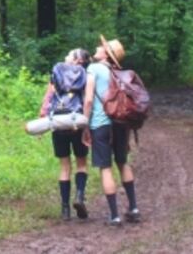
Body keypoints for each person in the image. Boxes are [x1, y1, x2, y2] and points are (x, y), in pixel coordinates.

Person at [83, 36, 139, 227]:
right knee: (123, 162)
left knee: (105, 167)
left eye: (102, 46)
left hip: (101, 123)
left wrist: (85, 125)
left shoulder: (93, 69)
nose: (98, 47)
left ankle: (114, 216)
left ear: (106, 53)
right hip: (120, 122)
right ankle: (133, 208)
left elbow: (89, 99)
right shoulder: (118, 73)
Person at [39, 48, 90, 221]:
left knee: (64, 166)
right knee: (81, 163)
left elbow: (49, 97)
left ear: (77, 60)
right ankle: (80, 196)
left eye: (69, 54)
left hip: (59, 121)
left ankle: (65, 209)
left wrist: (43, 120)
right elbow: (87, 99)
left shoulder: (57, 71)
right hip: (76, 122)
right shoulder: (85, 74)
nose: (66, 56)